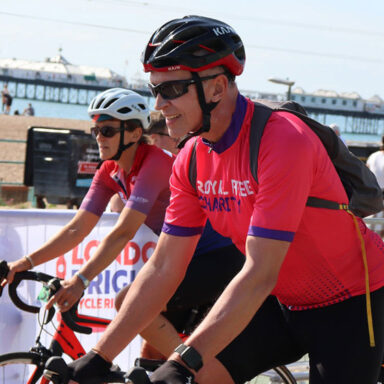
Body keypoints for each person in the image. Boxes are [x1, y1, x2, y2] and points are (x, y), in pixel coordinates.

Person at [43, 16, 384, 384]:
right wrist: (98, 357)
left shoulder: (283, 141)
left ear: (218, 87)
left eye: (171, 89)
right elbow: (163, 268)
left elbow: (258, 272)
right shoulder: (190, 159)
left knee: (186, 370)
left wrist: (182, 361)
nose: (159, 103)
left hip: (349, 300)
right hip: (279, 301)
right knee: (196, 379)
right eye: (154, 88)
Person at [1, 87, 244, 370]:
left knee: (129, 301)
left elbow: (123, 232)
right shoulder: (109, 172)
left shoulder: (154, 162)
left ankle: (208, 373)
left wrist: (81, 281)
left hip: (218, 256)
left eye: (107, 130)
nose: (99, 138)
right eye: (96, 131)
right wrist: (24, 262)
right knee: (151, 356)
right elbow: (76, 229)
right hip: (184, 258)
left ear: (133, 133)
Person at [366, 135, 384, 237]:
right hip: (380, 197)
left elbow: (366, 174)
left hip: (372, 196)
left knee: (372, 230)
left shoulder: (373, 156)